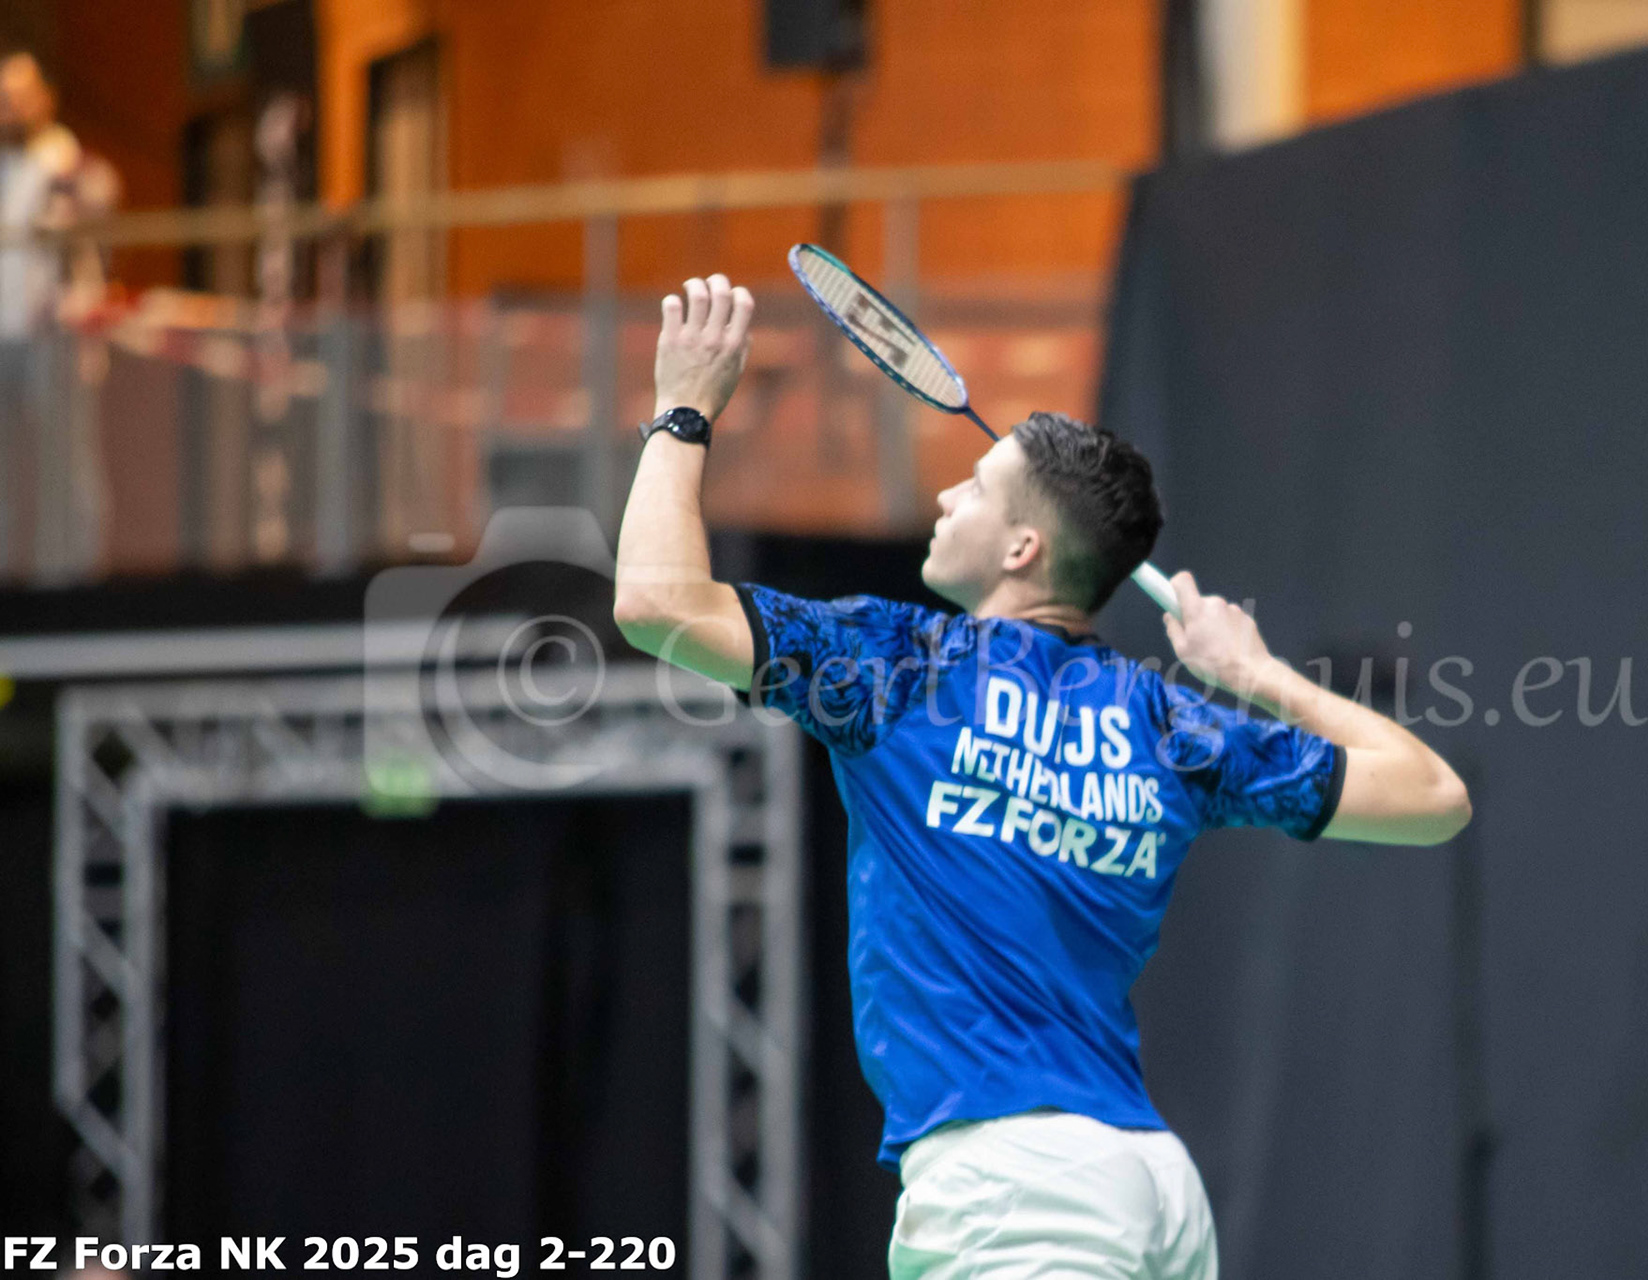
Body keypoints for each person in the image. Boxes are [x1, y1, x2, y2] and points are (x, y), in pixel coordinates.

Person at [614, 275, 1473, 1279]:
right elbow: (1433, 798)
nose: (947, 498)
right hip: (1149, 1184)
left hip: (1015, 1188)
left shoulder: (898, 667)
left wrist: (682, 412)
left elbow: (657, 605)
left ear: (1023, 546)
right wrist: (1258, 675)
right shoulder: (1169, 725)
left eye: (975, 487)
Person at [0, 51, 81, 575]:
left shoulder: (62, 158)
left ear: (44, 100)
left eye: (18, 99)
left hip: (49, 339)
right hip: (1, 337)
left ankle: (69, 578)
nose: (9, 110)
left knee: (63, 465)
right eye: (2, 100)